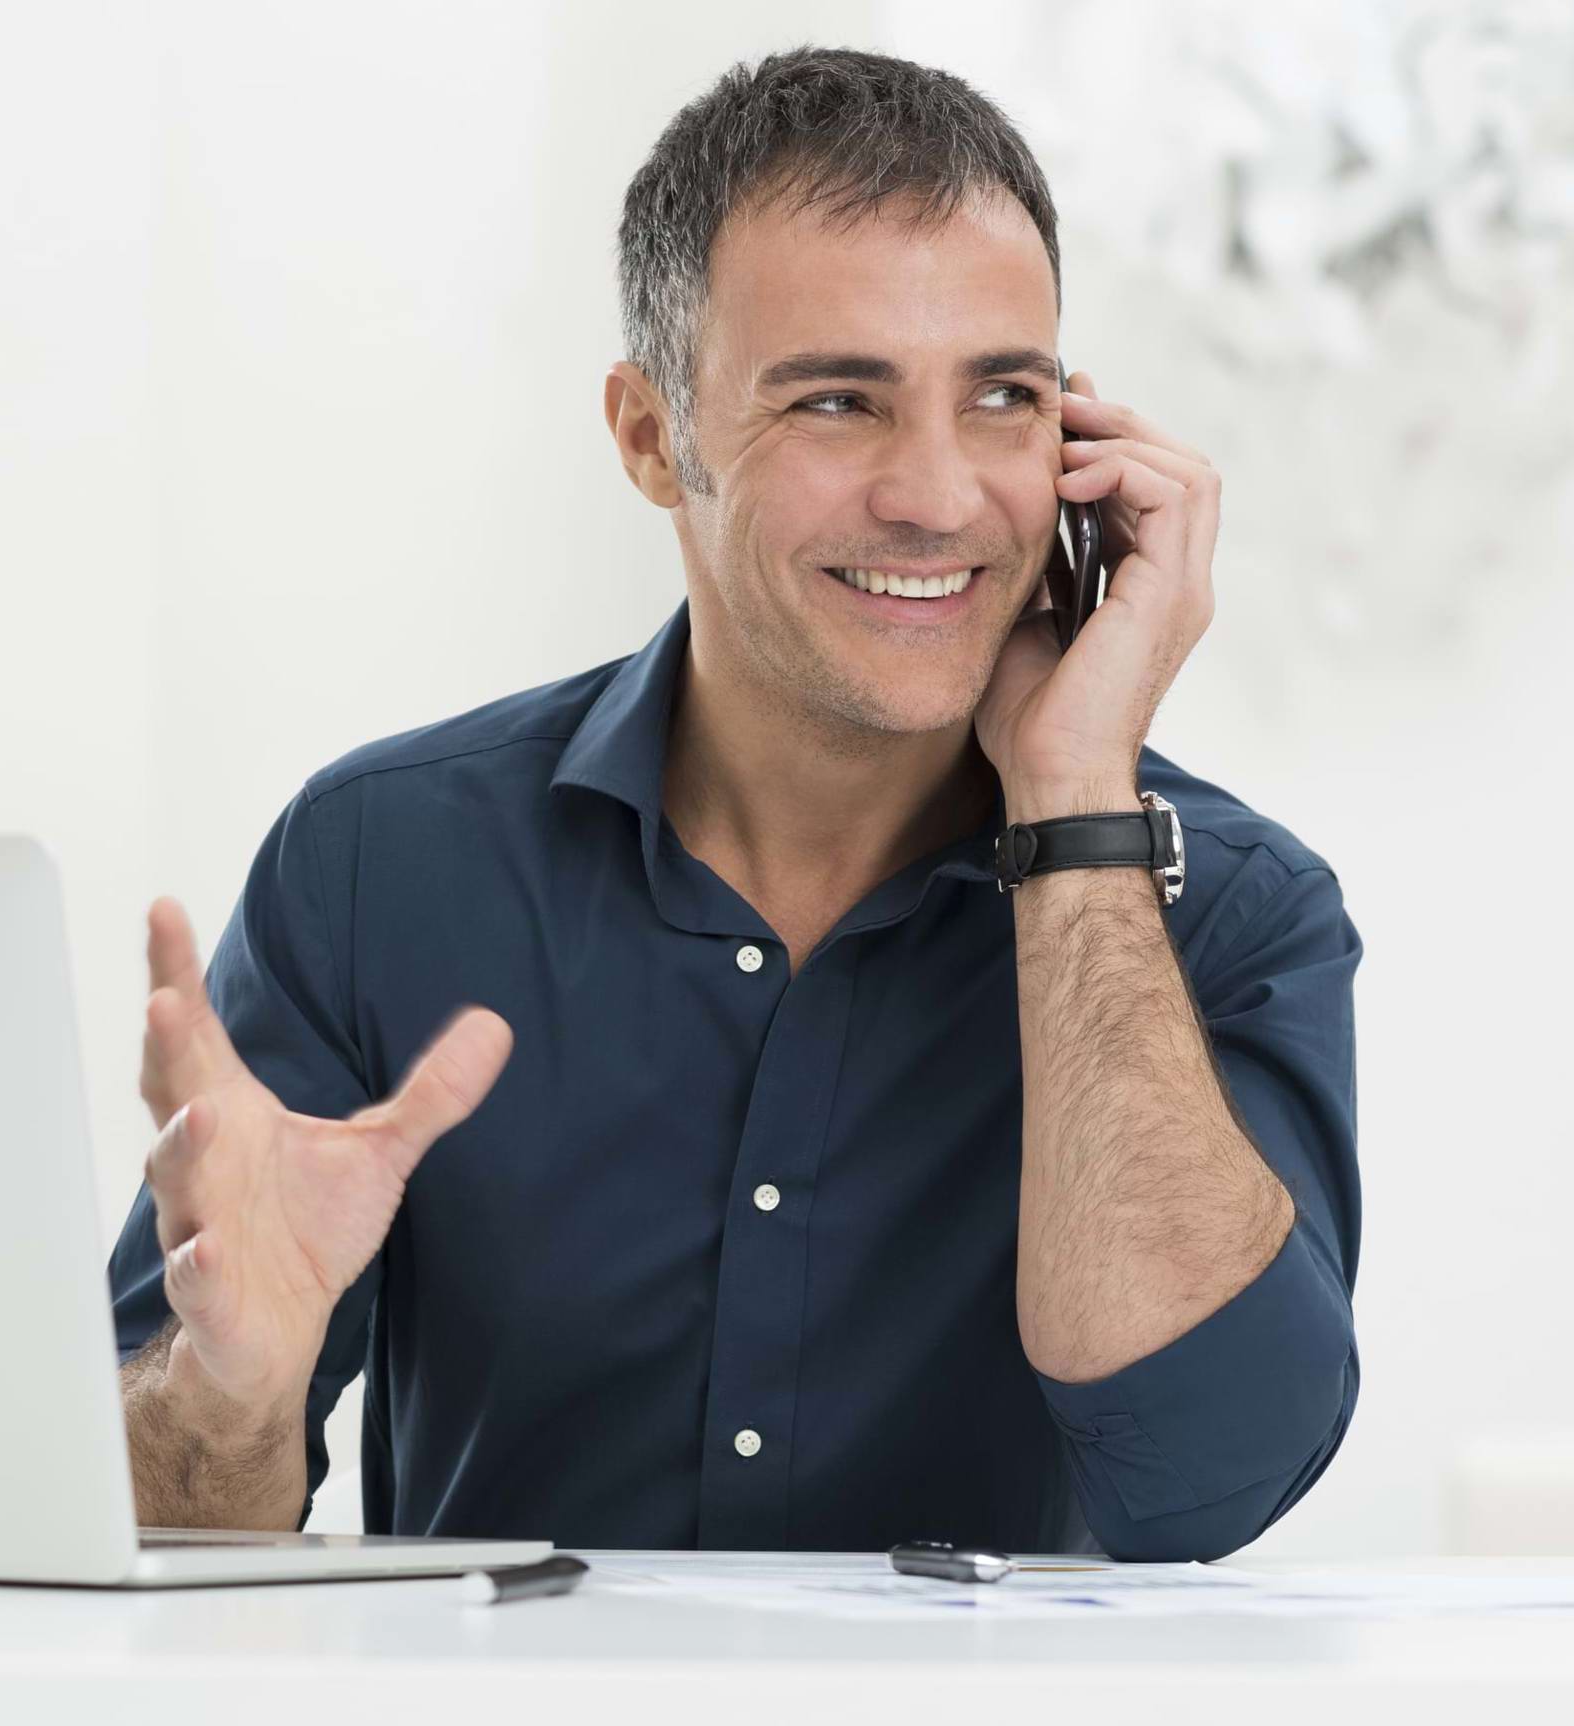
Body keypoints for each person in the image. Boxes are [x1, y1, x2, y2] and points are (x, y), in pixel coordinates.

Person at [104, 45, 1361, 1564]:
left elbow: (1207, 1482)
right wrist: (234, 1392)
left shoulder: (1224, 902)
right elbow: (150, 1530)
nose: (942, 494)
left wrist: (1079, 804)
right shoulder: (385, 860)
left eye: (1004, 398)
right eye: (840, 401)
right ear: (652, 439)